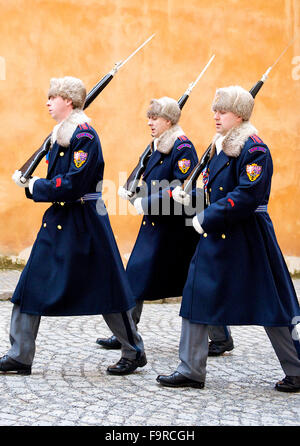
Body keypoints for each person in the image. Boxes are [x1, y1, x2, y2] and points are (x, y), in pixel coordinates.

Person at [156, 85, 300, 392]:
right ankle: (191, 368)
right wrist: (189, 196)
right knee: (196, 294)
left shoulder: (254, 149)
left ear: (239, 114)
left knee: (271, 306)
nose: (215, 115)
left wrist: (207, 217)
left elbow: (247, 195)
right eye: (215, 110)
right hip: (219, 235)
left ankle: (297, 369)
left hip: (249, 236)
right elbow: (214, 189)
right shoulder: (220, 146)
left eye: (221, 111)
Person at [0, 76, 146, 376]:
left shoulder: (85, 137)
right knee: (28, 286)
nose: (48, 102)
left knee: (108, 289)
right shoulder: (60, 134)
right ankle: (19, 354)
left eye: (53, 97)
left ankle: (134, 350)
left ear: (68, 100)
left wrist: (36, 187)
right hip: (58, 222)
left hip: (85, 222)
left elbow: (73, 183)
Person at [96, 96, 233, 355]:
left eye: (154, 118)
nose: (149, 122)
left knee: (194, 284)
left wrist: (148, 202)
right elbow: (146, 174)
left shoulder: (182, 147)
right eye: (149, 117)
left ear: (168, 121)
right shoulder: (157, 146)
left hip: (176, 230)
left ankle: (221, 337)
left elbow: (184, 187)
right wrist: (133, 190)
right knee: (134, 276)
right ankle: (126, 333)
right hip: (156, 226)